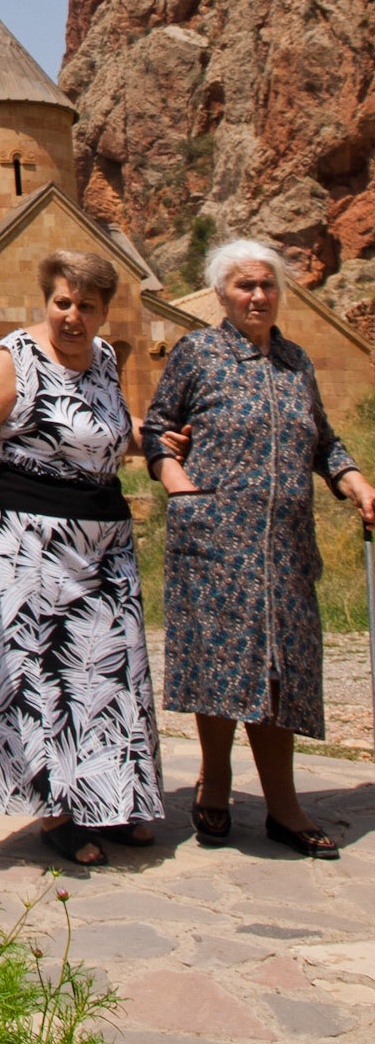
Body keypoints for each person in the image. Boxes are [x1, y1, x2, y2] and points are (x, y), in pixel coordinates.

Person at [143, 239, 375, 858]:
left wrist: (353, 481)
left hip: (286, 549)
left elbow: (324, 440)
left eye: (268, 285)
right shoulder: (198, 353)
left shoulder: (297, 361)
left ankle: (283, 806)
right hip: (215, 541)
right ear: (222, 294)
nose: (258, 296)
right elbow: (155, 429)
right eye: (245, 285)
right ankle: (214, 786)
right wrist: (180, 486)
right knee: (220, 664)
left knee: (283, 672)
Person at [0, 251, 168, 867]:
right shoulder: (14, 357)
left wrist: (153, 435)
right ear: (47, 300)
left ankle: (109, 804)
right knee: (47, 676)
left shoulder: (104, 359)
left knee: (109, 675)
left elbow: (103, 425)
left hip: (103, 541)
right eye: (62, 302)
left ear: (103, 311)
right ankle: (58, 812)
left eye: (86, 306)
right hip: (29, 542)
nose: (72, 315)